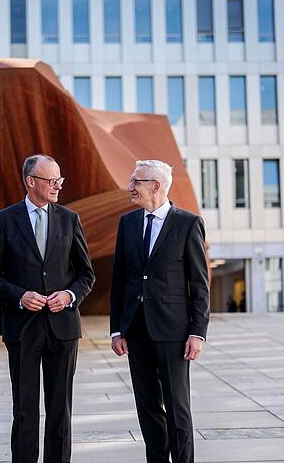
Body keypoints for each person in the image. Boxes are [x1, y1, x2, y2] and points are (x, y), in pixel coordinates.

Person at [0, 154, 95, 463]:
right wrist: (20, 296)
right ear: (31, 182)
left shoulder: (71, 219)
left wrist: (70, 296)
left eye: (60, 179)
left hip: (63, 328)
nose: (58, 185)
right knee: (25, 408)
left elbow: (86, 274)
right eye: (51, 180)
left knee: (61, 409)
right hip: (22, 327)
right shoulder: (3, 220)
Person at [109, 159, 210, 463]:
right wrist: (118, 329)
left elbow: (200, 284)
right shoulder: (127, 223)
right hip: (137, 330)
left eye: (135, 182)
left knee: (177, 408)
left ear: (155, 185)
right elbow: (120, 280)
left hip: (174, 333)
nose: (130, 188)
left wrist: (197, 333)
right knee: (148, 407)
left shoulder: (188, 223)